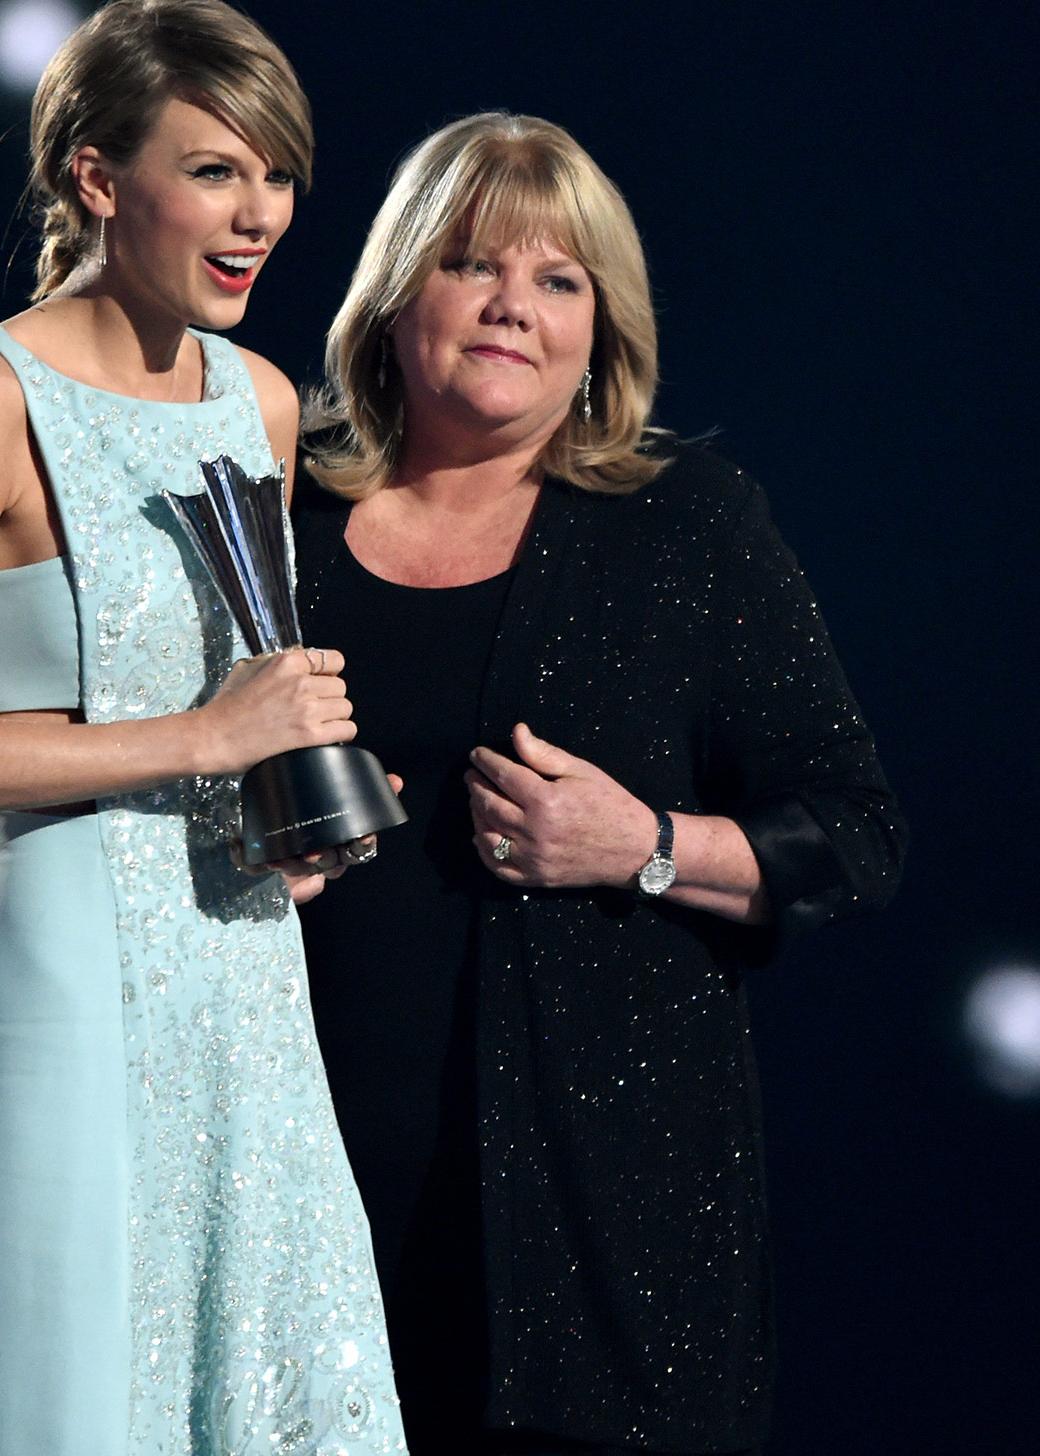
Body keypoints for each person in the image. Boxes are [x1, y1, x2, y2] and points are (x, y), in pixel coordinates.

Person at [288, 112, 907, 1456]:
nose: (514, 307)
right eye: (473, 266)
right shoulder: (284, 525)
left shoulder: (685, 526)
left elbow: (856, 834)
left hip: (601, 1253)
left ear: (601, 331)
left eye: (558, 281)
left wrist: (644, 844)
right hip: (304, 1220)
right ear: (398, 300)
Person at [0, 0, 405, 1456]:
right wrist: (206, 741)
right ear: (98, 178)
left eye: (277, 173)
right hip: (57, 980)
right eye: (215, 168)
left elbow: (239, 705)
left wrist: (284, 817)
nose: (260, 214)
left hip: (243, 977)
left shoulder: (265, 403)